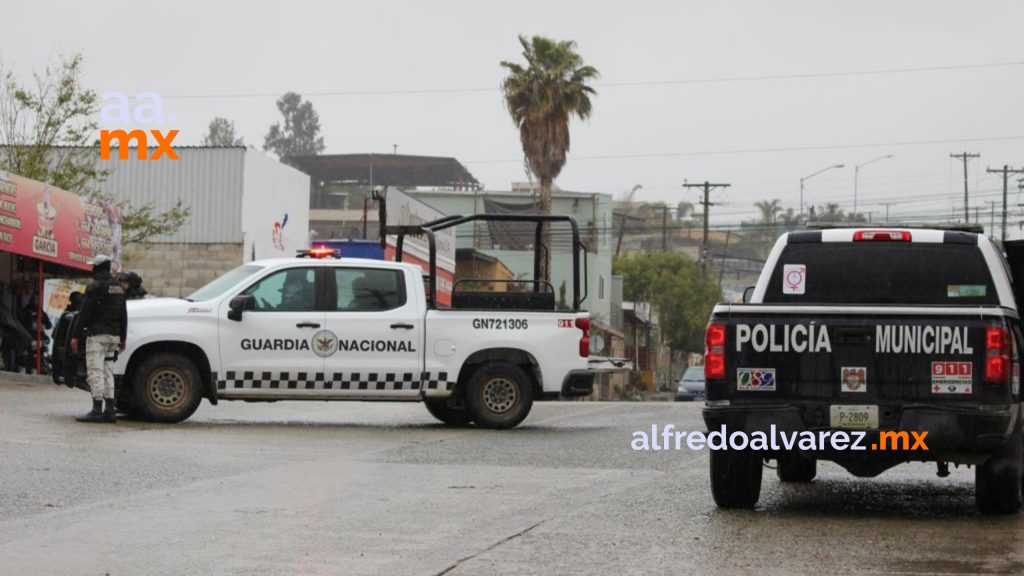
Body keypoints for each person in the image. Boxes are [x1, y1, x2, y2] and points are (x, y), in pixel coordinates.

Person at [71, 256, 127, 423]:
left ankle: (96, 409)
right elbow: (123, 314)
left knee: (95, 371)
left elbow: (85, 312)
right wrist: (122, 338)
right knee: (108, 371)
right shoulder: (118, 287)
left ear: (97, 267)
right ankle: (109, 410)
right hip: (113, 337)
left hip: (97, 336)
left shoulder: (95, 287)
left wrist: (75, 335)